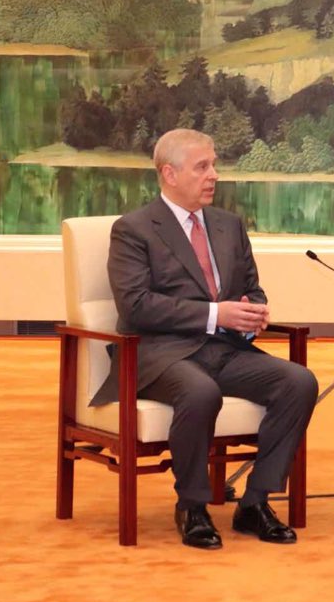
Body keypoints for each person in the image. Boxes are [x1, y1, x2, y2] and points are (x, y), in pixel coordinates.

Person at [91, 129, 318, 549]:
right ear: (169, 174)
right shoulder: (134, 229)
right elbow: (136, 306)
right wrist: (217, 313)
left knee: (298, 381)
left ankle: (254, 503)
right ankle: (193, 506)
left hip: (225, 348)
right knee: (200, 392)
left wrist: (252, 313)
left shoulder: (229, 225)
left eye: (214, 165)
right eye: (203, 167)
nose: (214, 174)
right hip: (157, 353)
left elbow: (252, 287)